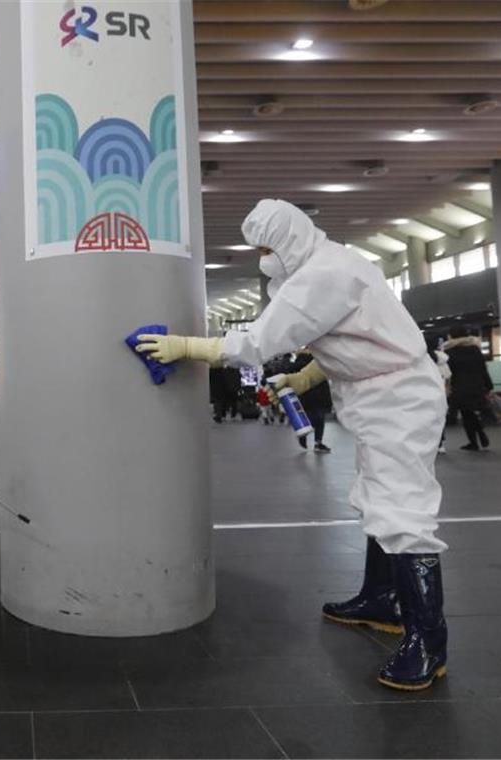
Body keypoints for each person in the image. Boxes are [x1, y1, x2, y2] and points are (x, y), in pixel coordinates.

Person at [137, 199, 449, 691]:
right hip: (379, 395)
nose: (262, 258)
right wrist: (306, 378)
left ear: (289, 240)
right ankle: (382, 599)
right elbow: (356, 336)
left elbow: (255, 343)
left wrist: (186, 347)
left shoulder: (323, 274)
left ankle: (428, 643)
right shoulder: (332, 264)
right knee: (377, 499)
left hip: (399, 401)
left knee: (402, 511)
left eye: (266, 247)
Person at [442, 326, 492, 452]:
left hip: (459, 387)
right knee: (469, 413)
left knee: (466, 414)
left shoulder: (449, 351)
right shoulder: (475, 349)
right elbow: (483, 369)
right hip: (477, 385)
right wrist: (488, 385)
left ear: (451, 336)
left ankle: (475, 441)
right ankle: (480, 437)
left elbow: (449, 372)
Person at [292, 348, 332, 453]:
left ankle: (303, 434)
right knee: (319, 419)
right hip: (319, 393)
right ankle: (318, 443)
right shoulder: (318, 361)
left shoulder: (297, 363)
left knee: (309, 416)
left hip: (304, 394)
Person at [427, 335, 452, 454]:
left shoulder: (422, 359)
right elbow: (447, 377)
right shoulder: (442, 359)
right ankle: (440, 443)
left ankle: (429, 443)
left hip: (425, 393)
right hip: (440, 393)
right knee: (439, 419)